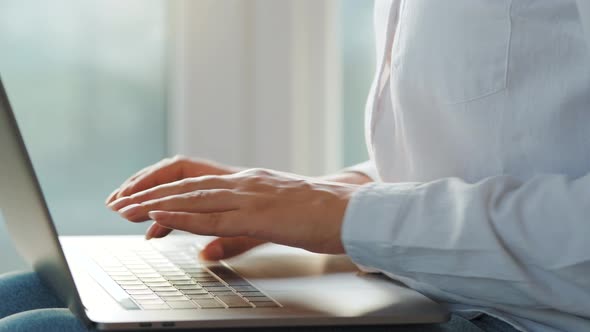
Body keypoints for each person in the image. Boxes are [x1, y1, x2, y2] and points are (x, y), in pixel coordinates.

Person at [2, 0, 590, 331]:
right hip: (414, 282)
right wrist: (314, 196)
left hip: (520, 318)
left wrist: (347, 216)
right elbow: (488, 149)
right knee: (21, 297)